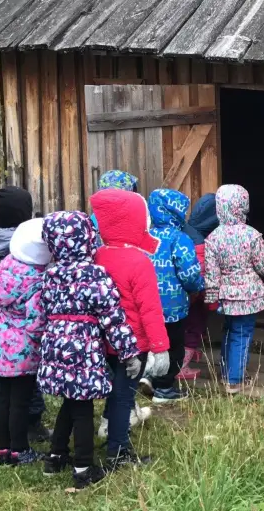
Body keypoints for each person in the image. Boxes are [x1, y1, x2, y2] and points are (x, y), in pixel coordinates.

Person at [37, 211, 140, 489]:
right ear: (87, 238)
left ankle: (55, 456)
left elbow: (43, 310)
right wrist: (128, 352)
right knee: (82, 407)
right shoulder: (95, 274)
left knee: (70, 402)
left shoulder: (50, 274)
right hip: (82, 347)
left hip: (55, 344)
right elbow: (112, 317)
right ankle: (83, 468)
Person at [90, 189, 171, 469]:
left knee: (115, 391)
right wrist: (161, 348)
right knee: (124, 396)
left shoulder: (97, 256)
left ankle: (108, 436)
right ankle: (118, 452)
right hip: (134, 346)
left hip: (105, 341)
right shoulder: (140, 262)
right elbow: (150, 310)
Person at [0, 186, 49, 442]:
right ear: (26, 213)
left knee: (2, 378)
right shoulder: (30, 246)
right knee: (27, 378)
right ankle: (30, 424)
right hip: (26, 323)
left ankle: (1, 424)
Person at [205, 185, 264, 395]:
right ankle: (235, 380)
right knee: (242, 334)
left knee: (229, 331)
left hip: (227, 296)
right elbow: (263, 268)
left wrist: (212, 297)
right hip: (248, 295)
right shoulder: (252, 235)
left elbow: (212, 274)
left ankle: (225, 373)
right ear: (243, 206)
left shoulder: (213, 237)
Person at [144, 189, 204, 403]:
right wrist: (197, 286)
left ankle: (148, 376)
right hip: (173, 307)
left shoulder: (144, 237)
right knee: (173, 348)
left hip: (146, 305)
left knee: (152, 344)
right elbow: (189, 273)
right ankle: (165, 389)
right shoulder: (180, 239)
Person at [180, 194, 219, 380]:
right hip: (195, 294)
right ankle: (183, 365)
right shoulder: (199, 240)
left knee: (183, 327)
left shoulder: (184, 229)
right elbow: (203, 274)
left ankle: (187, 352)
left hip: (178, 293)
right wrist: (210, 301)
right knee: (193, 327)